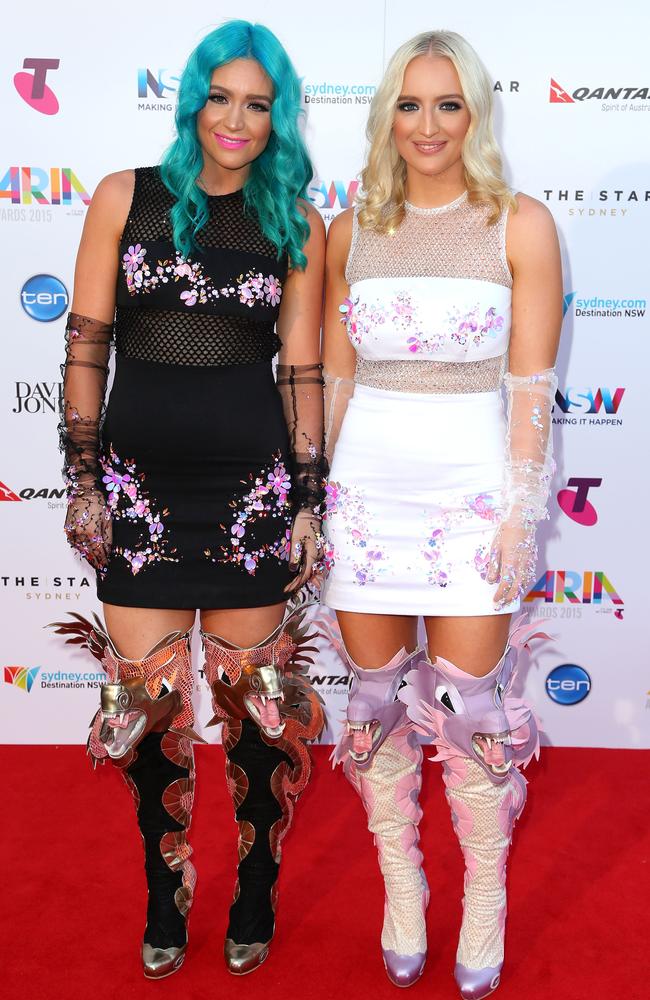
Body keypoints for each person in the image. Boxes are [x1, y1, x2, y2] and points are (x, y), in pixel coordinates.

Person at [52, 19, 326, 980]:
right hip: (142, 496)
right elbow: (87, 345)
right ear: (192, 102)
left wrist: (306, 500)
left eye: (259, 104)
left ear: (278, 117)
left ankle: (257, 883)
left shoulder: (295, 218)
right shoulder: (125, 198)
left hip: (250, 498)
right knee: (149, 714)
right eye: (221, 98)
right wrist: (82, 480)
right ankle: (165, 883)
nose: (237, 120)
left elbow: (302, 373)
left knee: (256, 715)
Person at [322, 30, 561, 999]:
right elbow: (335, 376)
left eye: (447, 104)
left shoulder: (520, 225)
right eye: (410, 105)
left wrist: (516, 511)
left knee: (469, 714)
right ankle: (402, 886)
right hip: (365, 494)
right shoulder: (350, 230)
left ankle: (485, 895)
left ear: (475, 113)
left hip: (470, 496)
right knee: (376, 707)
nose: (427, 125)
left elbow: (530, 381)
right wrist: (312, 497)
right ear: (387, 115)